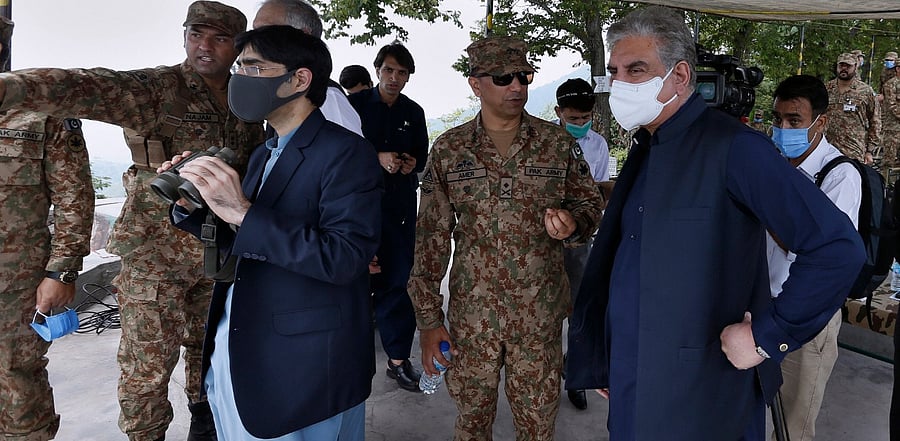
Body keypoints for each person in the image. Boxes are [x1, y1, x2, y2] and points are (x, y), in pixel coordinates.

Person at [565, 6, 865, 440]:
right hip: (634, 378)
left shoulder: (734, 148)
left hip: (700, 394)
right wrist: (608, 352)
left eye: (636, 70)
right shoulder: (648, 148)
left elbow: (837, 248)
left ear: (680, 76)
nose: (621, 84)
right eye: (615, 71)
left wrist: (768, 335)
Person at [0, 2, 266, 440]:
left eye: (219, 38)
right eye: (196, 33)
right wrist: (11, 89)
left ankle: (207, 426)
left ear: (237, 47)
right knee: (147, 367)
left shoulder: (246, 97)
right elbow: (85, 85)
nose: (204, 46)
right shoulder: (156, 89)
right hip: (154, 256)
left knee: (214, 355)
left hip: (221, 255)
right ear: (184, 35)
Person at [163, 24, 382, 440]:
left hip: (305, 373)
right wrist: (195, 209)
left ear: (299, 79)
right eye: (239, 67)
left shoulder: (347, 153)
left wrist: (243, 211)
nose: (238, 78)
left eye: (253, 67)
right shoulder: (266, 153)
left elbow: (344, 258)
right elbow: (251, 244)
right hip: (243, 356)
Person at [408, 36, 603, 439]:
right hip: (472, 320)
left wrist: (574, 224)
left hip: (539, 318)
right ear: (475, 84)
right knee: (471, 424)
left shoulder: (557, 144)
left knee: (537, 428)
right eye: (503, 77)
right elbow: (431, 239)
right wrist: (429, 321)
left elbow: (589, 207)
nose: (517, 86)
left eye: (524, 76)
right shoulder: (450, 150)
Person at [0, 17, 95, 440]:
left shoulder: (44, 111)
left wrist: (62, 271)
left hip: (17, 285)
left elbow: (75, 198)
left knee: (18, 385)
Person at [769, 74, 862, 441]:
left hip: (808, 319)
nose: (782, 129)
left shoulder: (840, 176)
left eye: (794, 121)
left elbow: (818, 251)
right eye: (777, 119)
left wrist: (763, 208)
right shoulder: (773, 162)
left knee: (793, 423)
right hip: (762, 306)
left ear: (820, 122)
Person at [348, 41, 428, 392]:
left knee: (398, 281)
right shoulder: (354, 107)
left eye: (402, 72)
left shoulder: (414, 111)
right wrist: (375, 157)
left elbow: (422, 158)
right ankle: (348, 362)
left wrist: (410, 162)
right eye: (389, 70)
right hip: (356, 209)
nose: (395, 78)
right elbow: (339, 153)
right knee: (352, 283)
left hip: (398, 209)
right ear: (378, 70)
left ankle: (397, 360)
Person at [552, 77, 609, 411]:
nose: (579, 124)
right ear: (559, 112)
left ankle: (574, 373)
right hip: (544, 238)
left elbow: (598, 191)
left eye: (584, 118)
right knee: (544, 309)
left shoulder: (598, 145)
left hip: (580, 239)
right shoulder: (542, 141)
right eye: (573, 118)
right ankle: (544, 371)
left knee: (579, 308)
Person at [253, 0, 363, 136]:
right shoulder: (279, 95)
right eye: (253, 32)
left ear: (302, 37)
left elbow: (350, 154)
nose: (253, 42)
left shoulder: (329, 98)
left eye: (266, 33)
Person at [826, 52, 881, 165]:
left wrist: (869, 150)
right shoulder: (827, 89)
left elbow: (875, 121)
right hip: (827, 147)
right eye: (841, 65)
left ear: (855, 67)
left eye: (848, 66)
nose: (844, 69)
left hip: (853, 149)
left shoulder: (865, 91)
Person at [881, 59, 900, 171]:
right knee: (889, 160)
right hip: (892, 130)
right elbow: (892, 106)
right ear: (897, 69)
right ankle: (885, 186)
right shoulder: (890, 85)